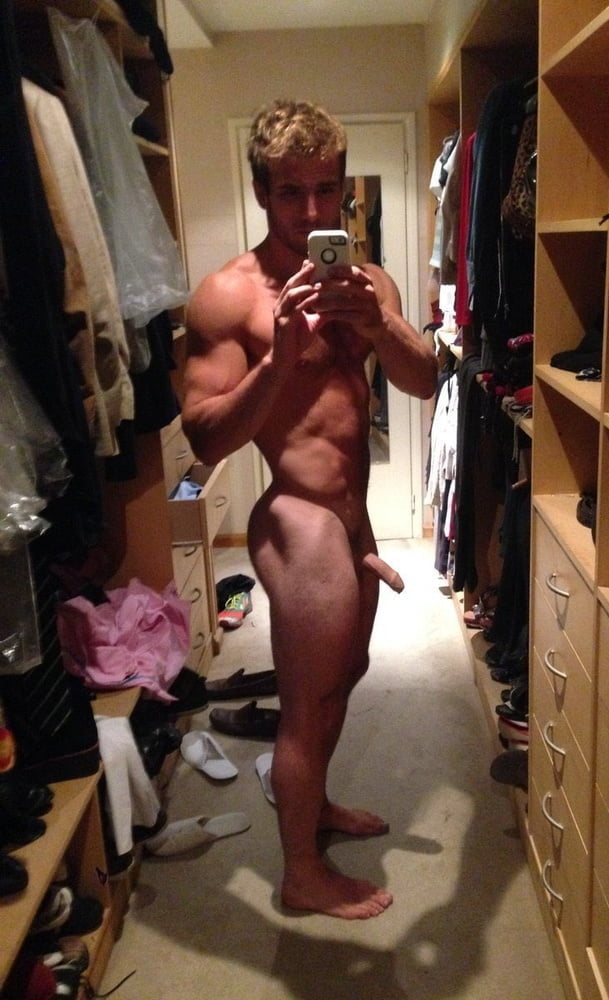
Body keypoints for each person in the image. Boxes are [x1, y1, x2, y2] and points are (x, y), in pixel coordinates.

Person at [181, 99, 438, 919]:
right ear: (262, 191)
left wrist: (381, 323)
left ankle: (315, 805)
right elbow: (205, 437)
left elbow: (425, 379)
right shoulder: (227, 297)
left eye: (327, 188)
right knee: (307, 704)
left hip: (355, 519)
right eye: (291, 192)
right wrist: (277, 362)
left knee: (345, 679)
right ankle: (301, 874)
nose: (313, 209)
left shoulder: (369, 281)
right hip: (299, 517)